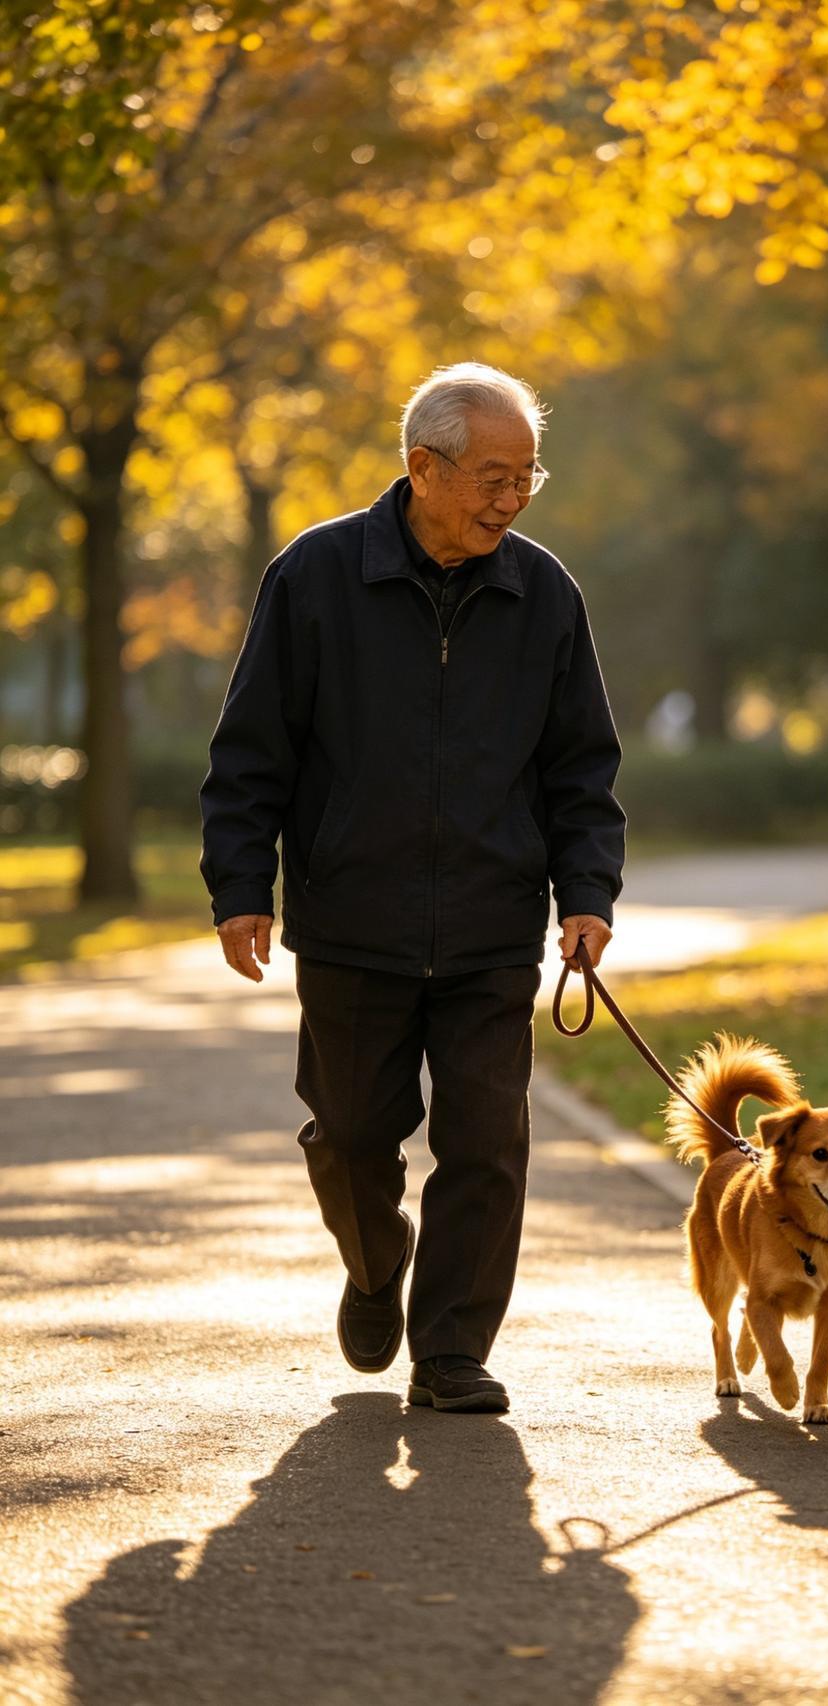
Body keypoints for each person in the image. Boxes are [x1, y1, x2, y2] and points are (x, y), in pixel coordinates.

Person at [199, 362, 626, 1413]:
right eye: (490, 475)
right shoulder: (315, 576)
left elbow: (580, 764)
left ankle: (450, 1351)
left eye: (526, 476)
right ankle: (374, 1259)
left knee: (485, 1141)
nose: (509, 499)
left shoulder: (544, 593)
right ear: (420, 467)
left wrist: (588, 893)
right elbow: (254, 748)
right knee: (350, 1135)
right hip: (351, 920)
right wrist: (241, 882)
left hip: (489, 926)